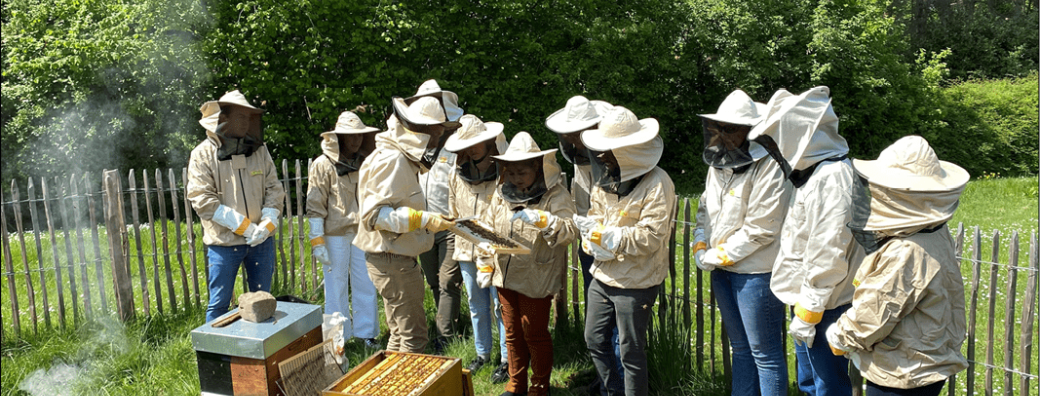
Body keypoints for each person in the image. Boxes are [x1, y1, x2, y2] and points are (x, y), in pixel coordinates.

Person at [826, 136, 969, 396]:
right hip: (926, 360)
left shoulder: (906, 250)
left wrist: (840, 334)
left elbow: (877, 309)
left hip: (903, 369)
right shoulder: (934, 232)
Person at [749, 86, 864, 396]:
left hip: (827, 304)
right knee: (810, 383)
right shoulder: (815, 173)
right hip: (811, 300)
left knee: (828, 387)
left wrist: (810, 310)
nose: (775, 149)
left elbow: (828, 252)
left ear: (798, 135)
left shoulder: (833, 178)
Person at [694, 90, 792, 396]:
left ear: (751, 131)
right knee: (741, 349)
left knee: (766, 355)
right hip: (723, 271)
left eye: (731, 129)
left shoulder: (771, 166)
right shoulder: (718, 162)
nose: (722, 135)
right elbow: (704, 209)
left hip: (756, 274)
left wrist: (716, 256)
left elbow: (762, 229)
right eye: (719, 128)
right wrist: (700, 242)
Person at [579, 106, 677, 396]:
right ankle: (613, 392)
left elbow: (652, 236)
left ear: (627, 151)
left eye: (608, 150)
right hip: (602, 275)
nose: (601, 156)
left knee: (630, 352)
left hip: (637, 280)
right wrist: (590, 237)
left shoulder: (658, 183)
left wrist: (613, 238)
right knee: (594, 339)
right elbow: (595, 215)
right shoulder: (606, 178)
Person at [354, 93, 460, 353]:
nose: (436, 143)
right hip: (392, 260)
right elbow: (374, 216)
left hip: (392, 258)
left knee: (399, 335)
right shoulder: (392, 160)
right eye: (435, 136)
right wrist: (423, 219)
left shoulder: (397, 157)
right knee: (415, 339)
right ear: (420, 131)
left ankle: (387, 378)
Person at [481, 131, 578, 396]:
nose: (515, 178)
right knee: (512, 332)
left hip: (537, 274)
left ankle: (539, 385)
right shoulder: (501, 193)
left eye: (522, 172)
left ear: (537, 167)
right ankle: (516, 384)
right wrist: (485, 261)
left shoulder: (555, 195)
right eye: (511, 173)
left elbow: (570, 231)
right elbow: (488, 227)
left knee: (534, 333)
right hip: (504, 273)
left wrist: (546, 221)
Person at [187, 90, 286, 323]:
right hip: (224, 243)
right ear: (224, 119)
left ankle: (259, 346)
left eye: (248, 118)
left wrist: (267, 223)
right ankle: (215, 346)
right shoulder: (202, 154)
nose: (246, 123)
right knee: (219, 304)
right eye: (240, 117)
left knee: (263, 302)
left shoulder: (259, 150)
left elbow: (274, 188)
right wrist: (245, 227)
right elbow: (202, 199)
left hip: (261, 242)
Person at [545, 96, 621, 394]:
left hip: (617, 246)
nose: (571, 140)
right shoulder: (580, 153)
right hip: (589, 244)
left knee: (617, 322)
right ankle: (604, 378)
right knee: (598, 319)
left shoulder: (613, 151)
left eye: (576, 134)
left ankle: (617, 384)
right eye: (568, 135)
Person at [443, 114, 510, 377]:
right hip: (466, 248)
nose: (471, 150)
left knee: (500, 305)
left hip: (495, 250)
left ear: (488, 141)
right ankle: (482, 354)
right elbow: (452, 210)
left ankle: (507, 359)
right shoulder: (455, 172)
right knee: (475, 303)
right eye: (466, 145)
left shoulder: (503, 170)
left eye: (475, 143)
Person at [306, 110, 381, 348]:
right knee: (335, 287)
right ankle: (337, 339)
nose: (356, 140)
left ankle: (366, 335)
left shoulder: (364, 161)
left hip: (362, 232)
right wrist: (317, 240)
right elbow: (315, 203)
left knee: (366, 284)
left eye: (359, 135)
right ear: (339, 137)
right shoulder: (322, 164)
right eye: (351, 136)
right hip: (334, 235)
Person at [413, 80, 466, 350]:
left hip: (450, 224)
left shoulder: (458, 142)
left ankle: (445, 337)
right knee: (434, 280)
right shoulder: (417, 144)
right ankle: (448, 325)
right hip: (423, 224)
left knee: (448, 280)